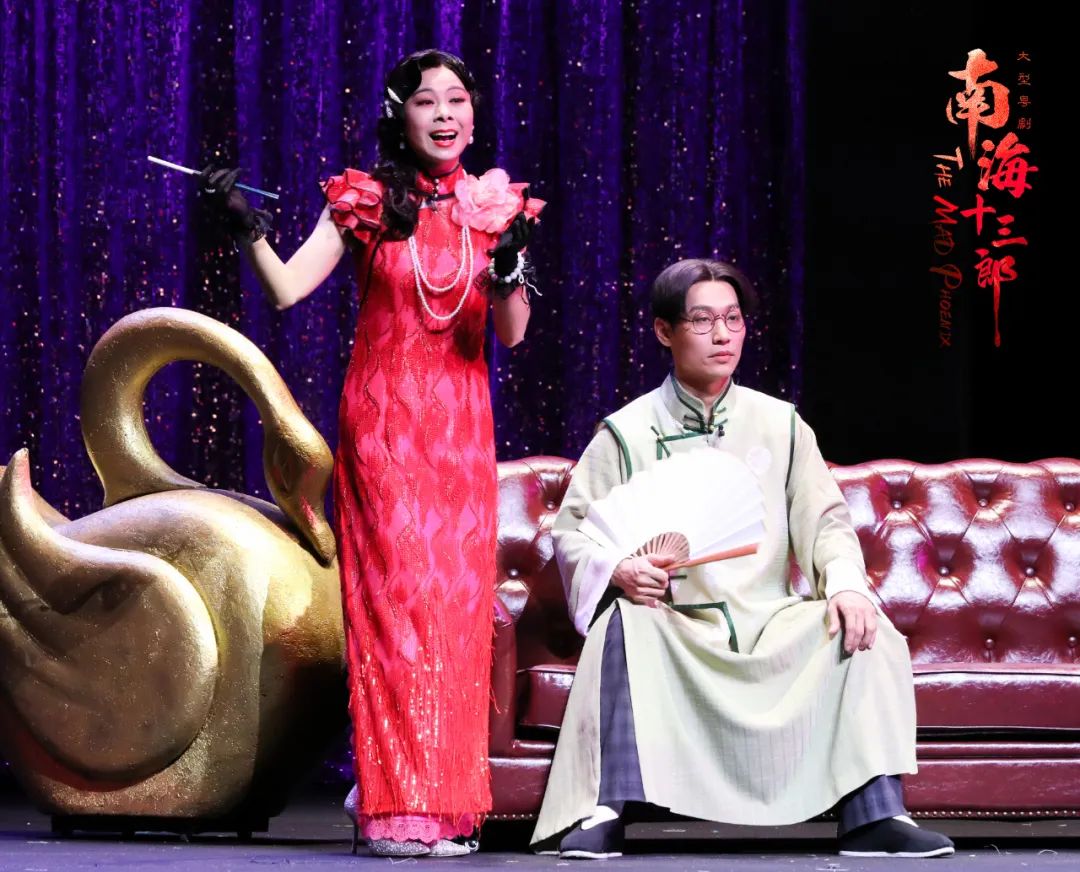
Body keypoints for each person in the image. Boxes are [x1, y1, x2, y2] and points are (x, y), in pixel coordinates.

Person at [201, 49, 544, 859]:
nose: (444, 114)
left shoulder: (496, 207)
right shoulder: (366, 199)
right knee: (396, 614)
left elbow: (512, 334)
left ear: (472, 114)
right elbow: (288, 288)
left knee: (452, 618)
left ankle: (437, 802)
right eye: (427, 101)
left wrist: (508, 268)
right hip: (385, 428)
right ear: (401, 115)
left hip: (459, 435)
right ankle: (394, 806)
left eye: (457, 99)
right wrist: (247, 229)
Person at [530, 259, 954, 860]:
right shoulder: (626, 432)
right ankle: (607, 807)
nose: (723, 335)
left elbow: (827, 524)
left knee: (865, 626)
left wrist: (846, 585)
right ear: (664, 331)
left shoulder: (780, 425)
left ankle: (875, 814)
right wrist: (620, 568)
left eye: (733, 319)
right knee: (625, 624)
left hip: (766, 619)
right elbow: (574, 534)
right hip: (674, 624)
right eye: (703, 321)